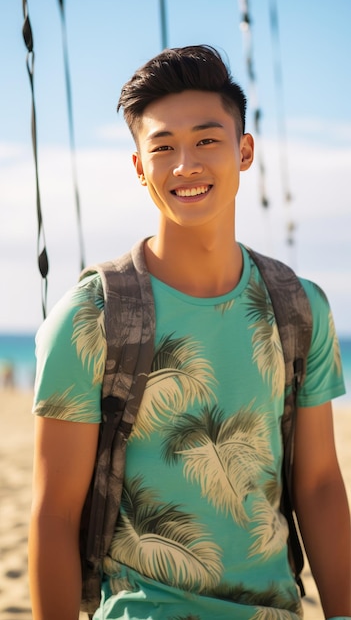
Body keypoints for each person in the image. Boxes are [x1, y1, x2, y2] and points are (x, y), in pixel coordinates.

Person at [29, 45, 350, 620]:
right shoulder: (90, 316)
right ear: (138, 167)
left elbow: (321, 484)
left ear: (244, 150)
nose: (185, 165)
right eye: (162, 148)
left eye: (206, 140)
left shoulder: (300, 306)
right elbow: (54, 513)